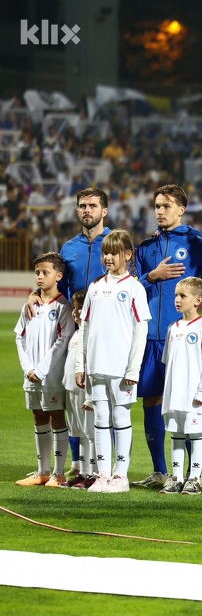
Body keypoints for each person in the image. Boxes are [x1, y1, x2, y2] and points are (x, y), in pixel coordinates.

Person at [133, 184, 202, 490]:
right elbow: (132, 289)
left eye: (166, 206)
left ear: (181, 209)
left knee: (188, 404)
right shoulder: (146, 248)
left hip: (184, 340)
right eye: (156, 205)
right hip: (151, 338)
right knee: (152, 401)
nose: (160, 211)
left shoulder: (196, 244)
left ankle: (192, 475)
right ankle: (161, 471)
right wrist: (150, 277)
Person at [27, 188, 111, 476]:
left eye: (92, 205)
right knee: (73, 397)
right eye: (82, 206)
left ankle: (105, 465)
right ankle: (78, 463)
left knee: (104, 402)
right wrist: (35, 292)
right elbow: (58, 288)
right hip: (75, 334)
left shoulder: (114, 242)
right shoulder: (69, 248)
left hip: (106, 335)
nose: (87, 210)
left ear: (104, 211)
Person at [75, 230, 151, 493]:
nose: (108, 257)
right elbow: (84, 328)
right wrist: (80, 365)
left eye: (113, 253)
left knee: (120, 417)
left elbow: (140, 331)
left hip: (121, 369)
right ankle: (103, 474)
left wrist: (133, 368)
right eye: (105, 252)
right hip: (96, 367)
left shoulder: (134, 288)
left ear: (128, 255)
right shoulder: (96, 287)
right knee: (101, 418)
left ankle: (121, 475)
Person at [14, 252, 74, 487]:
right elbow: (19, 337)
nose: (39, 276)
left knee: (56, 417)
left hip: (52, 375)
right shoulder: (29, 305)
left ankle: (59, 474)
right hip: (32, 375)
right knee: (38, 416)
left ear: (58, 275)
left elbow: (63, 341)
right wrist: (28, 368)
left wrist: (41, 369)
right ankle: (42, 472)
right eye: (37, 272)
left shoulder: (63, 307)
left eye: (45, 272)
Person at [158, 277, 202, 496]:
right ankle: (176, 478)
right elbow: (169, 363)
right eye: (176, 295)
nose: (177, 300)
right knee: (175, 434)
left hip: (194, 395)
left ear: (198, 300)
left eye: (183, 296)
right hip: (174, 394)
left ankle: (194, 478)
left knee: (195, 435)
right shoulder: (172, 328)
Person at [62, 290, 96, 488]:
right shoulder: (77, 332)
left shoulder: (90, 333)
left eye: (80, 308)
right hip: (71, 389)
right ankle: (83, 473)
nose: (76, 312)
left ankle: (94, 473)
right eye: (74, 308)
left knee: (90, 432)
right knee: (80, 432)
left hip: (84, 389)